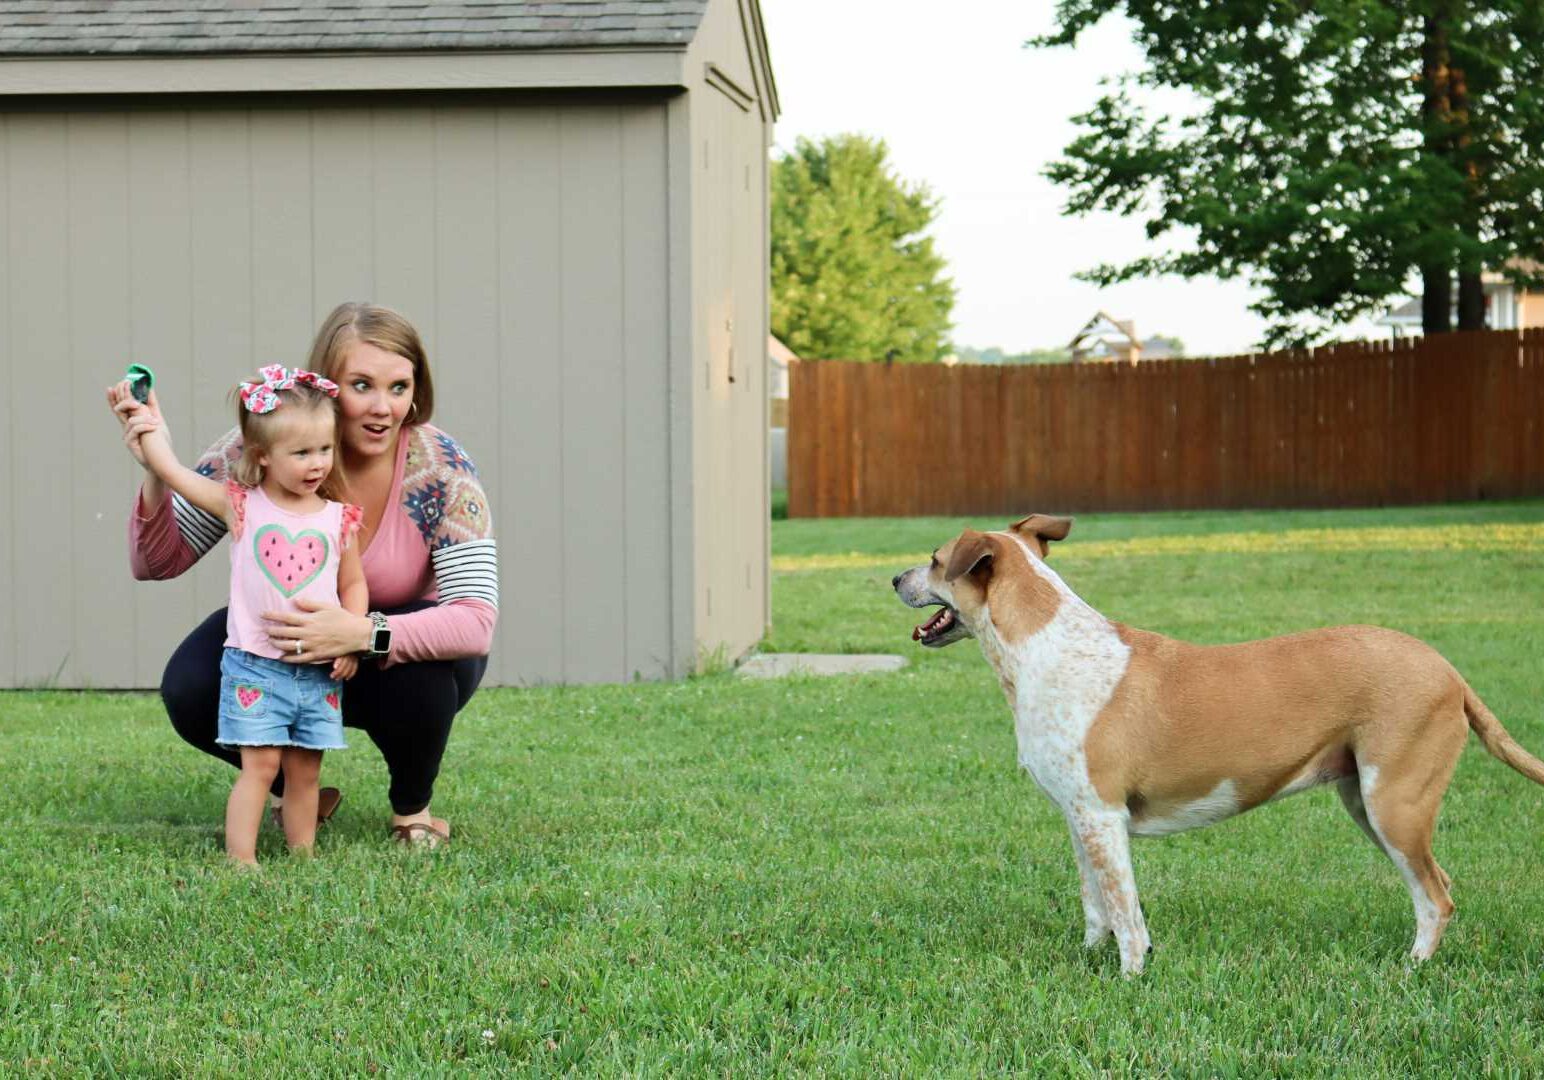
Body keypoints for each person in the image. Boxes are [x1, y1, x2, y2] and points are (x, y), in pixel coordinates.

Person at [111, 303, 499, 847]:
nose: (383, 408)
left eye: (399, 387)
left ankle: (413, 810)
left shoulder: (442, 468)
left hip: (387, 658)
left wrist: (362, 632)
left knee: (428, 676)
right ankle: (297, 790)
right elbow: (158, 562)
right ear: (327, 385)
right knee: (191, 684)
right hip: (284, 649)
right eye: (362, 385)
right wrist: (156, 471)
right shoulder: (263, 445)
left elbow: (475, 623)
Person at [110, 366, 365, 864]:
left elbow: (353, 584)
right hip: (256, 666)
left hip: (316, 670)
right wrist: (148, 426)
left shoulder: (339, 517)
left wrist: (354, 635)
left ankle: (303, 855)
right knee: (262, 766)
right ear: (262, 456)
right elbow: (175, 473)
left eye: (324, 450)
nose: (316, 463)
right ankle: (241, 859)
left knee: (306, 770)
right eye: (301, 453)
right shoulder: (242, 506)